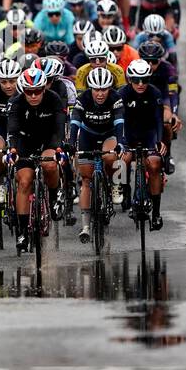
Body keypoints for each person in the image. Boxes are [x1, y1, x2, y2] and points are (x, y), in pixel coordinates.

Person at [6, 67, 68, 251]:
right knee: (24, 182)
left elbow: (59, 128)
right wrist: (13, 150)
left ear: (44, 89)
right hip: (25, 142)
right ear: (23, 91)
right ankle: (22, 231)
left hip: (48, 140)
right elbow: (12, 130)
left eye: (38, 91)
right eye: (29, 92)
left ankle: (55, 194)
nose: (33, 96)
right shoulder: (16, 103)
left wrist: (58, 148)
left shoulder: (54, 99)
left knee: (49, 164)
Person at [68, 65, 125, 242]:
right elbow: (75, 122)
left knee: (111, 157)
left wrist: (120, 143)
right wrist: (70, 144)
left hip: (108, 134)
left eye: (104, 89)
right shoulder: (82, 99)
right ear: (90, 89)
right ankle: (85, 226)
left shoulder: (116, 98)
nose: (100, 94)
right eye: (96, 90)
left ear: (110, 89)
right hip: (88, 135)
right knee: (86, 180)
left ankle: (115, 182)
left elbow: (119, 123)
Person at [118, 58, 165, 230]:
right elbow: (119, 122)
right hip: (129, 134)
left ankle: (157, 213)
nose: (140, 84)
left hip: (149, 134)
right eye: (136, 80)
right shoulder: (121, 94)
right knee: (122, 160)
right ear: (129, 79)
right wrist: (121, 142)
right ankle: (125, 189)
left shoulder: (155, 93)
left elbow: (159, 120)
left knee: (154, 164)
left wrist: (159, 141)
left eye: (144, 79)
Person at [134, 41, 182, 175]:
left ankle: (167, 154)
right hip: (142, 99)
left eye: (154, 61)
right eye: (146, 60)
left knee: (166, 121)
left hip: (162, 99)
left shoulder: (169, 69)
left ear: (160, 59)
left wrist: (174, 113)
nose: (150, 65)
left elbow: (173, 94)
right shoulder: (135, 68)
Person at [0, 59, 22, 205]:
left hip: (20, 129)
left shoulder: (24, 91)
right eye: (4, 82)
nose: (8, 86)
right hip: (0, 127)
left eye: (12, 81)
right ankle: (1, 184)